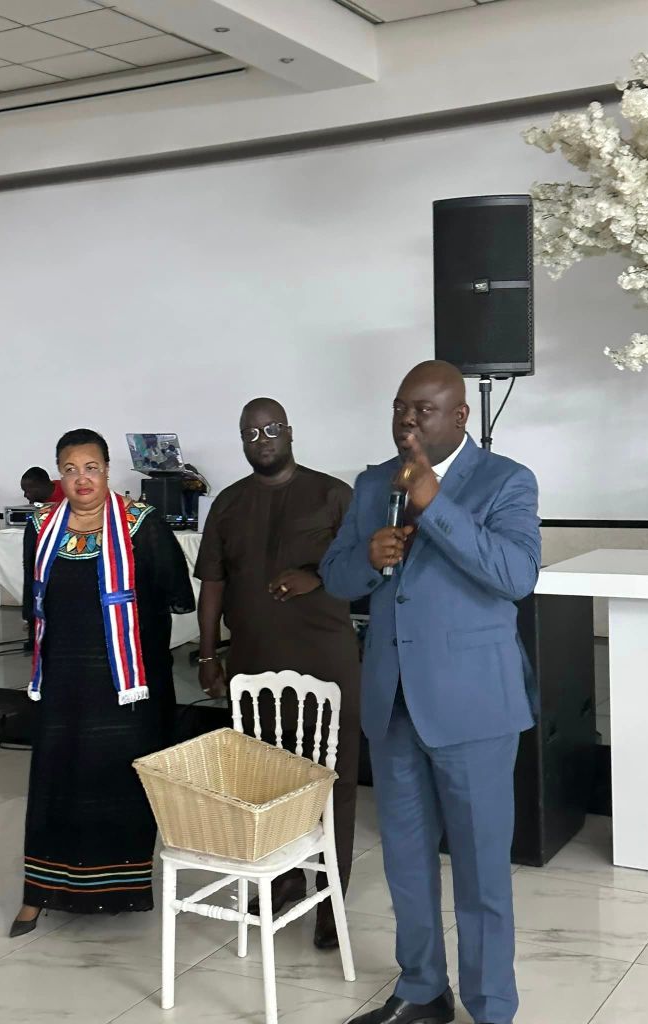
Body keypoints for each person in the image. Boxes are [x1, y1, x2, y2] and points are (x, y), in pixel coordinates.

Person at [320, 361, 540, 1024]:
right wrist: (369, 559)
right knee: (406, 863)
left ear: (460, 416)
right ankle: (422, 990)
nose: (407, 422)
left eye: (423, 410)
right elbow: (335, 576)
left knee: (480, 870)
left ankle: (491, 1006)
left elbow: (516, 575)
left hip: (473, 707)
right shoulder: (371, 484)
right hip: (393, 704)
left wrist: (434, 505)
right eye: (399, 408)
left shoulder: (506, 480)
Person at [10, 428, 195, 937]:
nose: (82, 479)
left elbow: (176, 596)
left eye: (91, 467)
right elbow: (33, 604)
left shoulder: (141, 524)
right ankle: (40, 891)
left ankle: (120, 890)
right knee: (56, 783)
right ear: (59, 475)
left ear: (108, 470)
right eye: (70, 469)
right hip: (63, 684)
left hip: (125, 688)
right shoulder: (41, 527)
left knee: (118, 784)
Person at [194, 398, 360, 950]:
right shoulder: (229, 503)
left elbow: (363, 566)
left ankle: (331, 898)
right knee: (265, 780)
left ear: (289, 432)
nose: (261, 440)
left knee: (331, 779)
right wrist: (208, 653)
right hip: (254, 662)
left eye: (270, 430)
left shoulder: (333, 494)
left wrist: (317, 576)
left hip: (325, 660)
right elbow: (213, 582)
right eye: (250, 433)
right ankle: (284, 878)